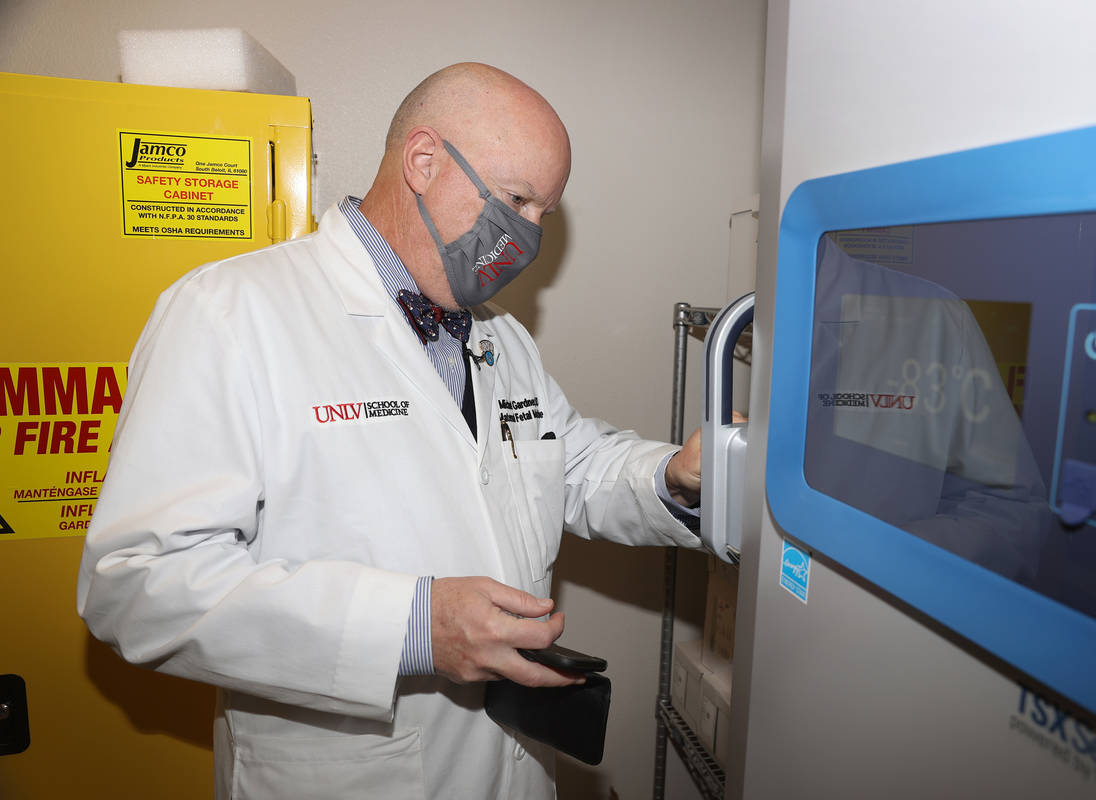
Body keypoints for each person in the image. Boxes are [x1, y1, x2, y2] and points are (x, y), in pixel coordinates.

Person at [77, 62, 705, 799]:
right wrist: (411, 626)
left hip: (514, 768)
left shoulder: (500, 341)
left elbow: (564, 463)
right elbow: (140, 585)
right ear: (424, 161)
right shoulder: (229, 313)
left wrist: (672, 475)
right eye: (517, 200)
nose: (529, 236)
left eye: (546, 214)